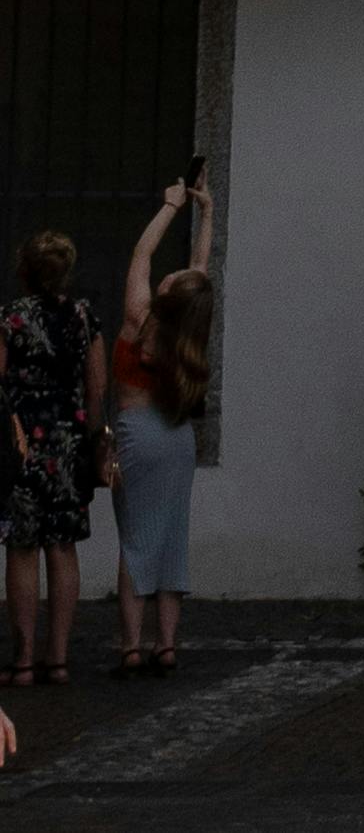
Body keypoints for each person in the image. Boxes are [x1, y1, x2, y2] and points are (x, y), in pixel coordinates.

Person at [106, 179, 210, 680]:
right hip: (177, 438)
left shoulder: (138, 321)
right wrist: (206, 213)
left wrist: (172, 206)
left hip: (136, 434)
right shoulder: (188, 333)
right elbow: (201, 276)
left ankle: (131, 645)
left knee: (135, 541)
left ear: (168, 292)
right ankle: (166, 645)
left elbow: (142, 251)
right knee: (171, 538)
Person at [0, 228, 105, 691]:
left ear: (25, 270)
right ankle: (58, 659)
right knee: (63, 548)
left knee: (22, 550)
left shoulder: (10, 319)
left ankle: (23, 660)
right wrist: (91, 435)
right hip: (66, 443)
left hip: (21, 444)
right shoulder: (85, 319)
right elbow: (97, 388)